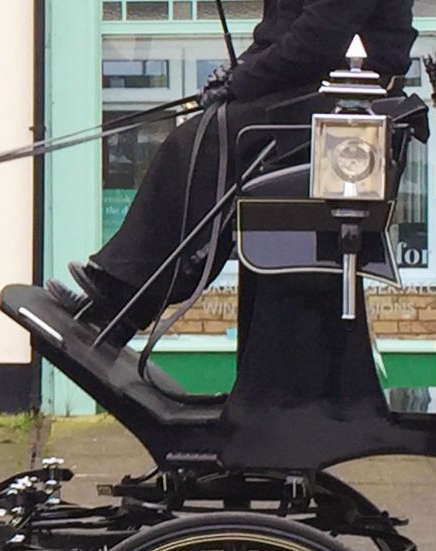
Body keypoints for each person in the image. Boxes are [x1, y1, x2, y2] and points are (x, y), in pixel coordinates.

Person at [51, 0, 417, 346]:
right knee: (200, 134)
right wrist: (235, 72)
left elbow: (317, 39)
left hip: (344, 100)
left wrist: (242, 82)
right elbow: (278, 34)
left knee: (201, 141)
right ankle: (126, 300)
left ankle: (127, 299)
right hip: (313, 92)